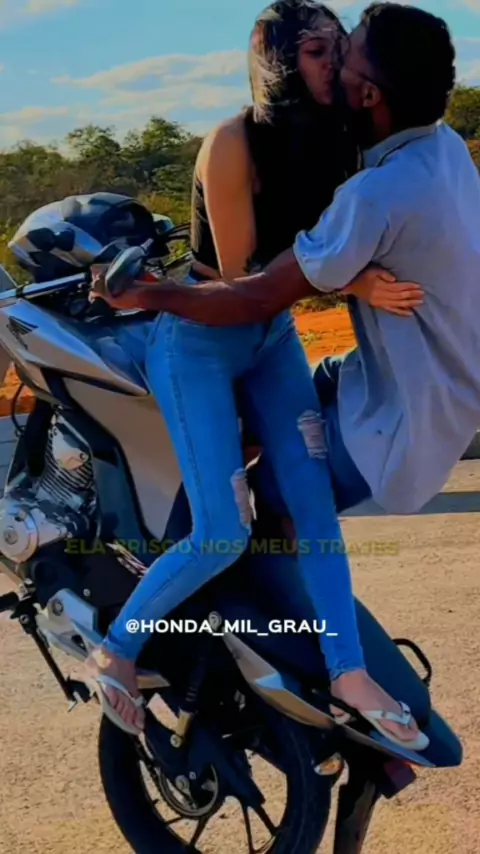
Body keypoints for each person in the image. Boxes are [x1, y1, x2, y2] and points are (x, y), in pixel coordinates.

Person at [86, 0, 428, 751]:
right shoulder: (233, 142)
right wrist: (352, 279)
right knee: (223, 531)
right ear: (278, 62)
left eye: (339, 48)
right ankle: (117, 648)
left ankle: (348, 674)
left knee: (314, 507)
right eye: (316, 52)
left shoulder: (341, 136)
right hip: (200, 339)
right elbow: (244, 277)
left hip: (272, 339)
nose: (334, 65)